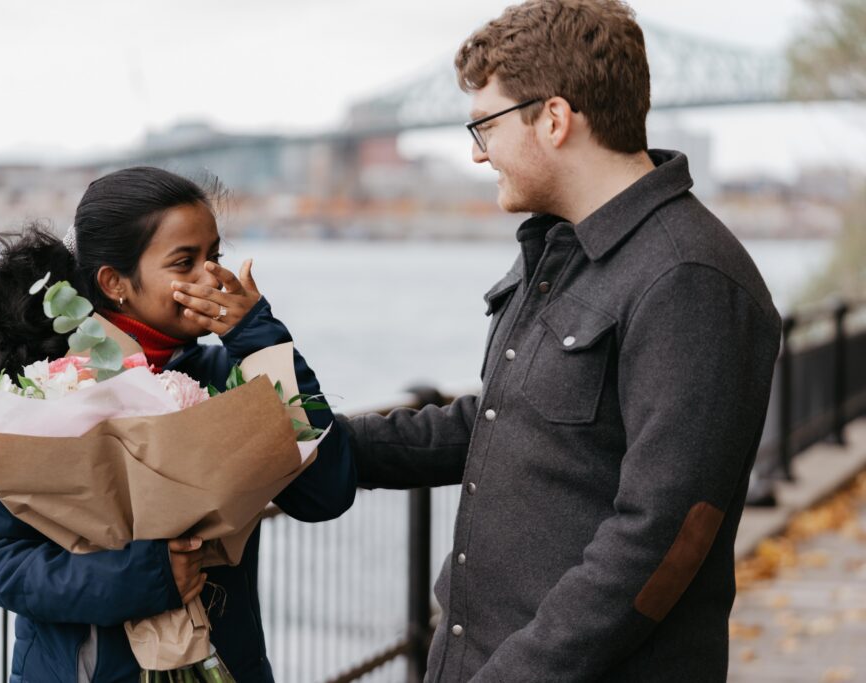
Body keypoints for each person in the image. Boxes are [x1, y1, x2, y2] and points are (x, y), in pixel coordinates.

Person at [203, 2, 779, 681]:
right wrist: (308, 441)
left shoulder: (690, 278)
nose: (477, 152)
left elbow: (663, 537)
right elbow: (501, 422)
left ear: (554, 119)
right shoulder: (559, 249)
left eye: (486, 125)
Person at [0, 167, 356, 682]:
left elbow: (326, 493)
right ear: (114, 283)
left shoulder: (231, 376)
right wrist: (142, 576)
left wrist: (261, 339)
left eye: (214, 256)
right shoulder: (39, 384)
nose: (211, 277)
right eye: (185, 262)